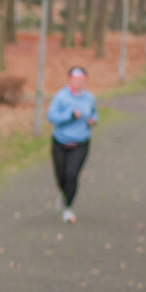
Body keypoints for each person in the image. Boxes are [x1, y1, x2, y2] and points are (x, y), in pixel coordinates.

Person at [47, 66, 98, 224]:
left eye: (81, 79)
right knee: (61, 176)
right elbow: (51, 116)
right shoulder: (61, 97)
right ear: (70, 80)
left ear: (85, 80)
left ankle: (68, 208)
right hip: (60, 142)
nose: (78, 82)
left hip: (81, 143)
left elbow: (94, 113)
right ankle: (64, 195)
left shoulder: (89, 98)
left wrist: (93, 121)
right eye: (75, 79)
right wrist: (70, 116)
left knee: (71, 175)